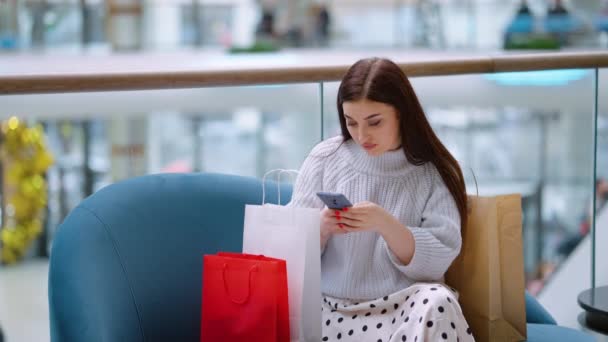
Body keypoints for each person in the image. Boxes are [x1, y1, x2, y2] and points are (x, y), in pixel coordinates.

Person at [288, 58, 473, 341]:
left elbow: (438, 261)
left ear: (402, 113)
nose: (362, 135)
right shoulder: (324, 158)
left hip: (403, 310)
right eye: (351, 123)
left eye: (374, 122)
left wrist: (386, 225)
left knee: (438, 302)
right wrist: (321, 228)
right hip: (329, 309)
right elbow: (288, 253)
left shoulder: (432, 173)